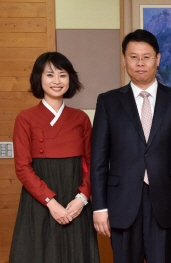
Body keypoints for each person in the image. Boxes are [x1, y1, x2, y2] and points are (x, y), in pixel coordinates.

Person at [91, 29, 171, 263]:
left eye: (146, 57)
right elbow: (98, 159)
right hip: (121, 202)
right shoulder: (108, 101)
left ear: (157, 59)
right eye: (133, 56)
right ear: (124, 59)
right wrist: (99, 207)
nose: (140, 63)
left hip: (166, 202)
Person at [10, 52, 99, 262]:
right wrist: (51, 203)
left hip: (75, 202)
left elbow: (92, 164)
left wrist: (82, 198)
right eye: (50, 75)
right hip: (40, 202)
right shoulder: (25, 118)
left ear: (70, 79)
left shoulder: (81, 118)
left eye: (63, 74)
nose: (57, 81)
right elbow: (22, 167)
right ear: (39, 79)